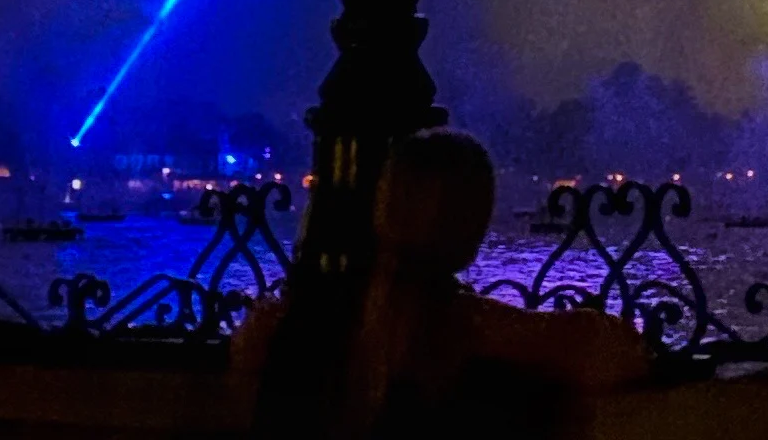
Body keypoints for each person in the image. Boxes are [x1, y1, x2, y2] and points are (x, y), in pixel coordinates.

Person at [239, 133, 651, 436]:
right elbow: (614, 355)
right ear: (471, 225)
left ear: (382, 206)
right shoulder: (474, 331)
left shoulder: (300, 323)